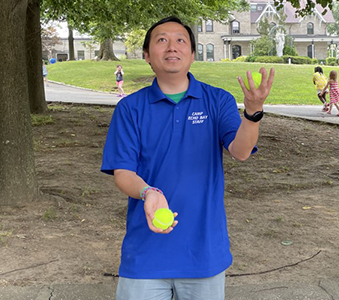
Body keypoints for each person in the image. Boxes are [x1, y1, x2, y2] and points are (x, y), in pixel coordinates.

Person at [101, 16, 274, 300]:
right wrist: (148, 192)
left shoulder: (217, 100)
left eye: (181, 40)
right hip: (145, 256)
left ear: (193, 54)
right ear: (146, 54)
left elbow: (241, 151)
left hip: (204, 256)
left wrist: (253, 114)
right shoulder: (130, 108)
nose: (172, 47)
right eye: (161, 40)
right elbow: (123, 173)